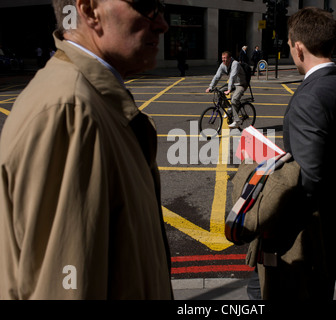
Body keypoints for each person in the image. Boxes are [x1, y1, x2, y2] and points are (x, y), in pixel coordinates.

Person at [0, 0, 172, 299]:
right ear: (90, 9)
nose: (162, 24)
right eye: (146, 5)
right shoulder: (72, 113)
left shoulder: (88, 100)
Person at [251, 7, 336, 300]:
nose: (291, 51)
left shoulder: (309, 97)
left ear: (299, 48)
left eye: (290, 46)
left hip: (308, 233)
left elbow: (308, 178)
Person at [205, 51, 248, 129]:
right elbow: (217, 76)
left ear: (230, 58)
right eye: (222, 58)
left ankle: (237, 121)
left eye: (225, 58)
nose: (223, 60)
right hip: (233, 84)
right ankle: (230, 108)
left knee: (234, 99)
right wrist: (211, 87)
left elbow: (232, 76)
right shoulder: (222, 65)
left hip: (241, 84)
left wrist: (229, 89)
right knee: (219, 92)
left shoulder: (235, 64)